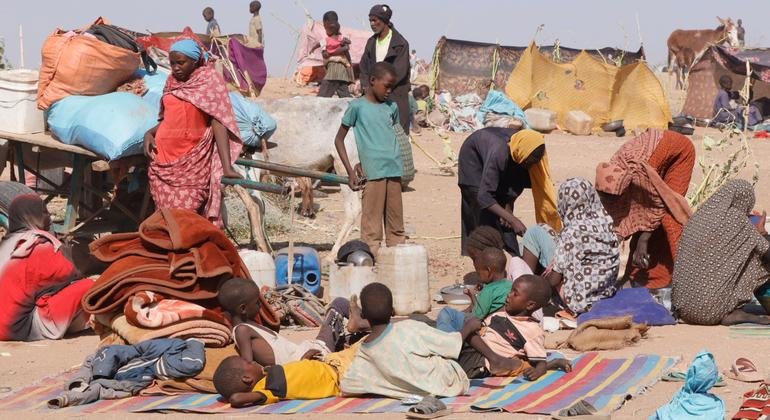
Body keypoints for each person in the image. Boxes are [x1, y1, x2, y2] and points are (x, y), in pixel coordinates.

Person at [143, 39, 243, 227]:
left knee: (183, 221)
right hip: (162, 162)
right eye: (172, 63)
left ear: (195, 61)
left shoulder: (209, 81)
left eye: (180, 63)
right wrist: (149, 133)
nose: (175, 68)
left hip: (192, 164)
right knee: (165, 221)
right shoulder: (171, 81)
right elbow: (168, 118)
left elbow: (219, 121)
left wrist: (227, 166)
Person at [595, 129, 695, 290]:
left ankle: (684, 281)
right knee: (642, 222)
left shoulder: (638, 174)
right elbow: (620, 217)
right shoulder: (612, 175)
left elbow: (657, 206)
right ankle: (635, 276)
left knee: (670, 217)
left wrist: (643, 240)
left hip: (679, 153)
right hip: (651, 160)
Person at [340, 283, 474, 399]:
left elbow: (347, 385)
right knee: (447, 315)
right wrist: (469, 327)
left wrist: (382, 385)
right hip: (450, 382)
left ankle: (361, 324)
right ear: (393, 312)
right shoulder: (409, 328)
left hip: (420, 391)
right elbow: (451, 344)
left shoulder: (364, 353)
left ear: (363, 315)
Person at [672, 179, 770, 325]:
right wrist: (762, 233)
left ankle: (731, 311)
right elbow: (767, 251)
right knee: (760, 257)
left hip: (683, 310)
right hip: (711, 311)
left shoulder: (697, 218)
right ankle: (731, 309)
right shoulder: (737, 220)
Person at [334, 62, 406, 256]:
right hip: (373, 173)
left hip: (394, 170)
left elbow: (391, 135)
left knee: (396, 226)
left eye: (392, 87)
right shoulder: (357, 107)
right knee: (371, 229)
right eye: (387, 86)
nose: (389, 91)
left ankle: (396, 260)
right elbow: (339, 140)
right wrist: (350, 171)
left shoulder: (392, 107)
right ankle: (371, 261)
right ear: (373, 81)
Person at [521, 178, 621, 314]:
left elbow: (554, 280)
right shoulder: (606, 223)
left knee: (534, 233)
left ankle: (524, 291)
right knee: (544, 229)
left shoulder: (572, 233)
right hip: (604, 292)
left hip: (578, 300)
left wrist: (541, 281)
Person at [0, 194, 93, 341]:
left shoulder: (6, 244)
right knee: (89, 286)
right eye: (43, 212)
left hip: (5, 324)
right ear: (31, 216)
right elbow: (72, 271)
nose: (49, 216)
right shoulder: (37, 245)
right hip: (19, 328)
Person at [458, 127, 561, 256]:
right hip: (473, 163)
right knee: (485, 219)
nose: (530, 167)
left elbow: (514, 184)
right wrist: (513, 220)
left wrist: (508, 208)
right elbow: (484, 197)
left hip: (502, 159)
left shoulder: (525, 148)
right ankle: (485, 258)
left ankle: (514, 256)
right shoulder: (499, 153)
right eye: (527, 163)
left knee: (505, 219)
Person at [218, 278, 369, 366]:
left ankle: (364, 325)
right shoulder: (242, 330)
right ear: (243, 309)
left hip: (309, 352)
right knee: (339, 304)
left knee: (351, 338)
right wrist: (303, 363)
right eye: (257, 302)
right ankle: (367, 322)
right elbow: (248, 365)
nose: (260, 305)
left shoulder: (248, 325)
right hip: (311, 358)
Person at [457, 275, 572, 379]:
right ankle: (492, 358)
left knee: (516, 364)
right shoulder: (500, 314)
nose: (509, 294)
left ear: (530, 305)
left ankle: (494, 360)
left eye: (515, 294)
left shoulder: (532, 330)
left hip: (481, 362)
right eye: (511, 290)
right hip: (470, 349)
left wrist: (538, 371)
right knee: (466, 324)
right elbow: (481, 332)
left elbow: (540, 362)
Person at [213, 342, 361, 407]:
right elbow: (236, 399)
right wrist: (234, 397)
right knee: (367, 347)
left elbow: (296, 376)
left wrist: (304, 360)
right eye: (248, 363)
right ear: (247, 378)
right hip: (341, 376)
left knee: (360, 346)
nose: (252, 361)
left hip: (331, 361)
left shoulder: (268, 373)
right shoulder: (266, 390)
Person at [359, 4, 412, 133]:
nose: (372, 24)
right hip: (374, 94)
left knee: (397, 134)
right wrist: (366, 86)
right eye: (370, 20)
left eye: (375, 20)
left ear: (384, 20)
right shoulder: (371, 42)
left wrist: (381, 88)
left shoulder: (400, 44)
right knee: (374, 132)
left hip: (395, 94)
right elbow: (364, 67)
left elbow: (400, 72)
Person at [436, 247, 512, 333]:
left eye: (479, 273)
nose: (479, 277)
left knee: (446, 312)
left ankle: (445, 336)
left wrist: (473, 296)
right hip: (500, 323)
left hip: (480, 325)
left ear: (488, 271)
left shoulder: (488, 290)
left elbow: (477, 316)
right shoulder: (510, 285)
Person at [466, 226, 532, 282]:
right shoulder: (494, 272)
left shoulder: (517, 268)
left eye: (474, 259)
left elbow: (524, 292)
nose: (474, 264)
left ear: (489, 255)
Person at [316, 11, 354, 98]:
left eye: (325, 27)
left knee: (322, 97)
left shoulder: (334, 40)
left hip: (333, 71)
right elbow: (347, 54)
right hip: (342, 72)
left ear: (329, 25)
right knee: (345, 96)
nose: (325, 30)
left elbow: (326, 55)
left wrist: (327, 52)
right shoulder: (340, 39)